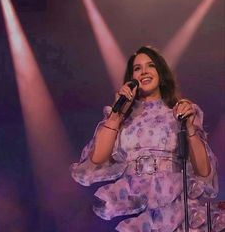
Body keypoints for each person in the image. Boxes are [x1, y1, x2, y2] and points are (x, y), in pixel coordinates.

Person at [71, 46, 224, 231]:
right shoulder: (121, 118)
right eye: (137, 68)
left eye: (150, 65)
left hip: (174, 206)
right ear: (131, 79)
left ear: (160, 72)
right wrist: (116, 114)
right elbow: (97, 159)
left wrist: (190, 127)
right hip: (135, 203)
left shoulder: (178, 112)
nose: (144, 71)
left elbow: (204, 171)